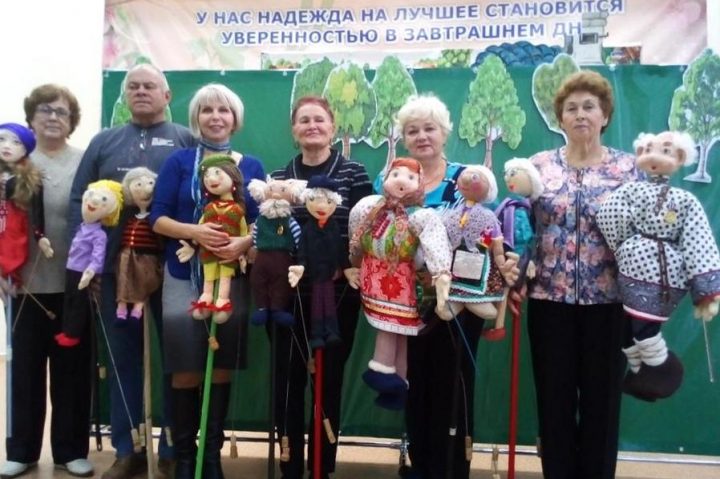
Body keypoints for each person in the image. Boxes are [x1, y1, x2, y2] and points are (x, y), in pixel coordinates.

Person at [68, 63, 195, 479]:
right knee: (123, 359)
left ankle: (173, 447)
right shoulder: (103, 142)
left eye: (149, 86)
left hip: (174, 269)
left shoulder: (186, 139)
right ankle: (129, 449)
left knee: (177, 358)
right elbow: (78, 202)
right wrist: (87, 264)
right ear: (124, 95)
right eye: (133, 86)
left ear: (167, 95)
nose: (141, 91)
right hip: (115, 269)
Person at [515, 70, 640, 479]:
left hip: (610, 304)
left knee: (603, 403)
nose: (581, 114)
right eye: (571, 108)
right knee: (554, 401)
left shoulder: (629, 169)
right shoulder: (539, 167)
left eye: (590, 106)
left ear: (605, 115)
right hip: (549, 301)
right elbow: (522, 230)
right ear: (560, 119)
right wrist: (515, 278)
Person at [150, 83, 264, 479]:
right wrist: (195, 232)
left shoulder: (251, 166)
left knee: (221, 364)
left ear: (235, 118)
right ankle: (186, 457)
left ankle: (211, 458)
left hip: (230, 274)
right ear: (196, 117)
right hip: (183, 274)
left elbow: (263, 221)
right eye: (207, 110)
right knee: (185, 366)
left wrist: (244, 242)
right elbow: (157, 217)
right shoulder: (179, 161)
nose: (216, 117)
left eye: (224, 110)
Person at [269, 95, 371, 479]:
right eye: (304, 120)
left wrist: (347, 265)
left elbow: (365, 231)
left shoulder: (354, 173)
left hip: (338, 296)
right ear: (294, 130)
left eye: (319, 119)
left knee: (328, 383)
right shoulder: (280, 178)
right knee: (289, 381)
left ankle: (321, 468)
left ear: (332, 127)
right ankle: (290, 465)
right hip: (289, 294)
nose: (312, 126)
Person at [0, 85, 94, 479]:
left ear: (72, 121)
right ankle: (21, 451)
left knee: (72, 373)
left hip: (75, 287)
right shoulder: (15, 164)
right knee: (25, 372)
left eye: (61, 112)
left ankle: (70, 451)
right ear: (31, 118)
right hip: (24, 288)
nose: (53, 117)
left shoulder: (85, 161)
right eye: (45, 110)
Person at [388, 93, 480, 479]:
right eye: (413, 131)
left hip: (457, 300)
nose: (422, 136)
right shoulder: (393, 179)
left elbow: (481, 234)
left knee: (453, 386)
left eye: (429, 128)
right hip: (406, 301)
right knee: (415, 384)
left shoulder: (467, 180)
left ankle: (452, 468)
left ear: (444, 132)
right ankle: (419, 465)